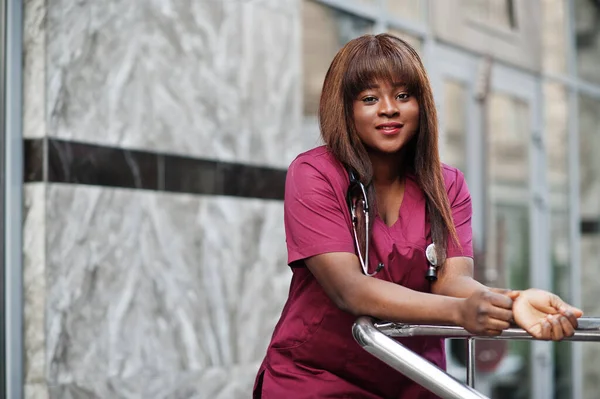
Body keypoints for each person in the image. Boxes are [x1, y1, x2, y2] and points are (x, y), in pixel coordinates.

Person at [253, 33, 582, 399]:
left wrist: (511, 300)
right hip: (318, 378)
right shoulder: (314, 174)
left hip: (415, 377)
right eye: (369, 99)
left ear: (421, 104)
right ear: (345, 109)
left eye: (403, 95)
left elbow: (452, 283)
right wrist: (461, 314)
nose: (389, 109)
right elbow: (349, 289)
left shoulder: (447, 184)